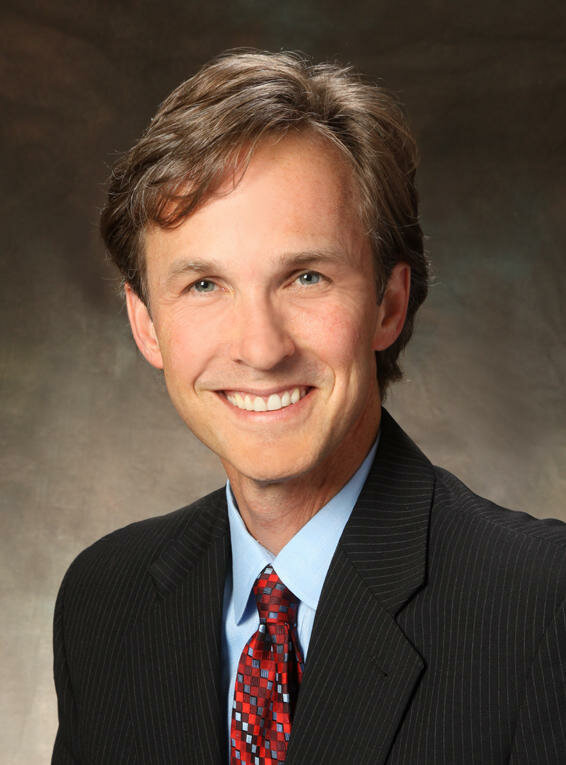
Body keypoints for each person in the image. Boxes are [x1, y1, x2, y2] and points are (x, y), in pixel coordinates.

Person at [52, 50, 566, 764]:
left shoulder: (541, 606)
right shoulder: (104, 602)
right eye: (204, 285)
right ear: (146, 324)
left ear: (388, 304)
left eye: (306, 276)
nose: (261, 349)